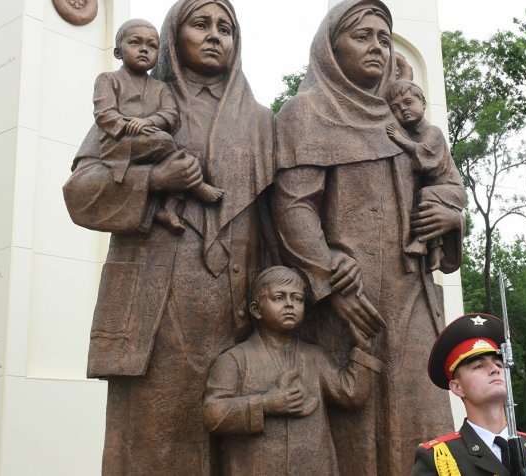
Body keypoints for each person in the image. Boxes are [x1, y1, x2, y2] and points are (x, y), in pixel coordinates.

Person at [62, 0, 275, 473]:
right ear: (174, 37)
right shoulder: (140, 101)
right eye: (201, 24)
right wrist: (154, 181)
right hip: (157, 313)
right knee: (154, 451)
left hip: (243, 316)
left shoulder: (262, 120)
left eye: (226, 28)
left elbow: (281, 219)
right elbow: (80, 193)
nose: (215, 35)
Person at [271, 1, 466, 474]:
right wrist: (328, 277)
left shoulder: (403, 117)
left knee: (423, 415)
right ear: (330, 47)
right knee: (350, 429)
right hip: (346, 298)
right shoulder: (305, 113)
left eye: (384, 37)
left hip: (410, 296)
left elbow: (446, 185)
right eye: (363, 36)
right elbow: (293, 206)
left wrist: (449, 217)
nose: (377, 46)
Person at [203, 266, 383, 475]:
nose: (290, 304)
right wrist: (267, 404)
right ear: (256, 309)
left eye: (297, 299)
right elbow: (212, 414)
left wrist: (363, 352)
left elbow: (351, 394)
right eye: (279, 297)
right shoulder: (234, 360)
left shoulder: (316, 357)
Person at [74, 18, 224, 236]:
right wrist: (127, 125)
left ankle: (168, 209)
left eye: (152, 46)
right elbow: (104, 113)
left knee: (185, 161)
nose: (144, 50)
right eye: (135, 43)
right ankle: (196, 186)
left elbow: (170, 114)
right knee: (165, 142)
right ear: (118, 52)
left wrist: (147, 122)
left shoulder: (160, 88)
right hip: (118, 144)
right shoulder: (108, 80)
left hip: (151, 140)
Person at [411, 314, 526, 476]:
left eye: (499, 364)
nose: (495, 369)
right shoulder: (438, 458)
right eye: (478, 366)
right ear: (457, 387)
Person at [384, 79, 463, 270]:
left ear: (424, 103)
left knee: (425, 195)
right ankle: (436, 252)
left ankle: (420, 241)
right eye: (395, 108)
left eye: (409, 102)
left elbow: (426, 155)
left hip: (451, 189)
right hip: (435, 191)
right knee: (426, 203)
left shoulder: (432, 131)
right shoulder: (411, 134)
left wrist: (399, 139)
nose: (402, 110)